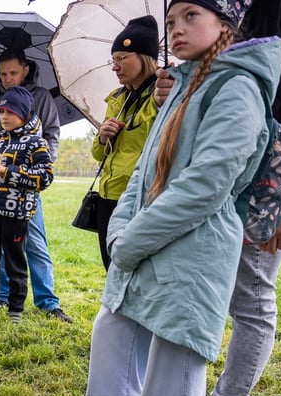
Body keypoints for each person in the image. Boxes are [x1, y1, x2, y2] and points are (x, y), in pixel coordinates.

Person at [80, 0, 276, 396]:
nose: (177, 29)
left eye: (192, 16)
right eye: (172, 21)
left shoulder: (238, 88)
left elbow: (206, 186)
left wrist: (134, 237)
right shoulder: (184, 86)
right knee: (116, 323)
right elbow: (143, 172)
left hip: (197, 240)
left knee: (177, 346)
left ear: (225, 24)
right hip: (150, 230)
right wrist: (122, 226)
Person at [152, 0, 281, 396]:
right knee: (199, 286)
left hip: (267, 180)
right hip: (216, 172)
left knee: (252, 295)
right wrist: (175, 87)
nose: (178, 27)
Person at [0, 50, 71, 323]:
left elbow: (51, 135)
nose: (8, 79)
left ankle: (47, 301)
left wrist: (30, 168)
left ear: (25, 70)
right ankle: (2, 297)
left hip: (26, 188)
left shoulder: (41, 98)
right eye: (3, 74)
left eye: (13, 73)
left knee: (35, 243)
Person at [0, 86, 54, 323]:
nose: (4, 116)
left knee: (15, 263)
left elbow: (44, 177)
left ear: (25, 114)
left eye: (11, 112)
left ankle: (16, 310)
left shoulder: (37, 144)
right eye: (1, 111)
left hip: (17, 216)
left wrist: (9, 172)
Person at [91, 16, 160, 271]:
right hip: (108, 196)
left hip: (141, 198)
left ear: (143, 57)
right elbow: (99, 154)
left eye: (122, 58)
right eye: (114, 59)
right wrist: (103, 137)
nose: (115, 66)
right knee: (112, 270)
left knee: (136, 273)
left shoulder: (161, 94)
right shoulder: (117, 99)